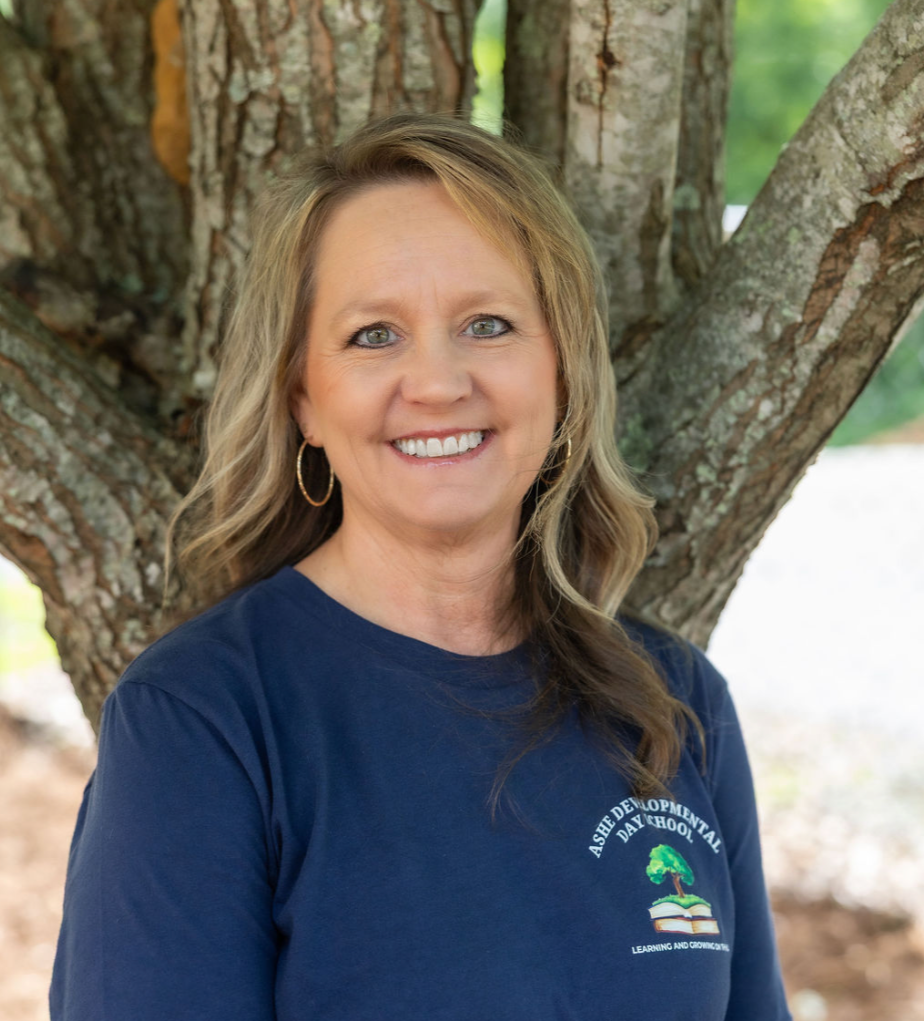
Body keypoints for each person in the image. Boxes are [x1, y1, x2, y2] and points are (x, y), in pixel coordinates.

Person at [50, 114, 791, 1020]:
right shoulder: (202, 719)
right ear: (301, 399)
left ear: (561, 375)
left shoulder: (675, 701)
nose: (438, 382)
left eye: (488, 323)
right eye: (374, 335)